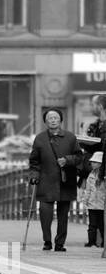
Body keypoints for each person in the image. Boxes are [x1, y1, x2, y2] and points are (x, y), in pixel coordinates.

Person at [28, 107, 84, 253]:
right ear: (46, 122)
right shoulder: (40, 138)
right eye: (50, 118)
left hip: (65, 180)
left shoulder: (71, 138)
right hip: (46, 179)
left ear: (60, 120)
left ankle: (60, 243)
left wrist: (67, 160)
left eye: (55, 118)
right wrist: (34, 175)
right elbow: (34, 161)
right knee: (45, 212)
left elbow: (79, 157)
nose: (53, 120)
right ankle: (47, 241)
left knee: (63, 214)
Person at [81, 152, 105, 248]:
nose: (92, 164)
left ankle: (104, 242)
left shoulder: (103, 176)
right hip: (92, 204)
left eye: (95, 162)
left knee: (102, 225)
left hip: (102, 205)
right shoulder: (90, 175)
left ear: (100, 163)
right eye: (92, 162)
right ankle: (91, 242)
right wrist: (85, 201)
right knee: (92, 225)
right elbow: (88, 190)